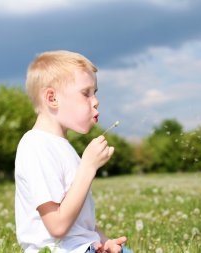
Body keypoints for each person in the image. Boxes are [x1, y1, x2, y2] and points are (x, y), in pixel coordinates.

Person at [15, 50, 132, 253]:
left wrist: (105, 242)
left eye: (95, 93)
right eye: (86, 93)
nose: (95, 101)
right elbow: (57, 226)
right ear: (52, 98)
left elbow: (80, 225)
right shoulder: (35, 145)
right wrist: (88, 167)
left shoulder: (64, 147)